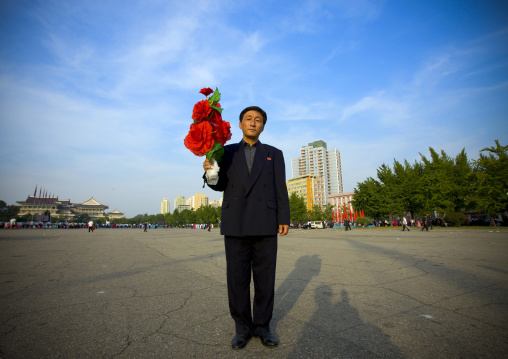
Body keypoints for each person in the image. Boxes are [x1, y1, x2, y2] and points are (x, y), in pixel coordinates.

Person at [203, 106, 290, 350]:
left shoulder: (274, 153)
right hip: (236, 222)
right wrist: (211, 172)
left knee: (265, 279)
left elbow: (280, 188)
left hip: (265, 222)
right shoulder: (226, 152)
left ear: (263, 126)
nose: (253, 123)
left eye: (258, 120)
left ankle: (262, 327)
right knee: (237, 280)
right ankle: (242, 328)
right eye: (248, 119)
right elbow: (219, 185)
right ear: (240, 124)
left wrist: (284, 217)